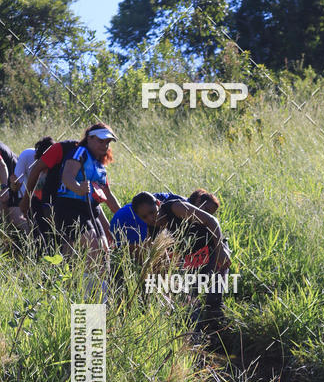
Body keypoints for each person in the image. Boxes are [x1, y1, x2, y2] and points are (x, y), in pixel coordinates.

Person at [131, 189, 231, 338]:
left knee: (213, 299)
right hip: (195, 260)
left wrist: (221, 249)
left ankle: (224, 337)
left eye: (152, 212)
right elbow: (161, 262)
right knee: (191, 301)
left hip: (215, 249)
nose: (151, 218)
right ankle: (196, 342)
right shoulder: (154, 230)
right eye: (144, 217)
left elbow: (211, 220)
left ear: (158, 204)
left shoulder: (175, 208)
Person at [54, 123, 120, 263]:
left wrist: (124, 215)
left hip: (90, 209)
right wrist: (79, 188)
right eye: (100, 141)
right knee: (95, 248)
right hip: (70, 207)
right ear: (89, 138)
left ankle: (100, 284)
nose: (104, 145)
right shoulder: (80, 152)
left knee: (104, 250)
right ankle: (89, 283)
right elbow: (67, 176)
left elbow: (107, 195)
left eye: (107, 142)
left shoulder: (100, 164)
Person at [8, 136, 53, 233]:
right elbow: (16, 187)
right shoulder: (27, 155)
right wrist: (13, 184)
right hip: (28, 198)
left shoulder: (57, 161)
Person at [0, 140, 19, 218]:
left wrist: (5, 187)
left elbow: (2, 166)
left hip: (12, 170)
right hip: (8, 167)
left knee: (13, 210)